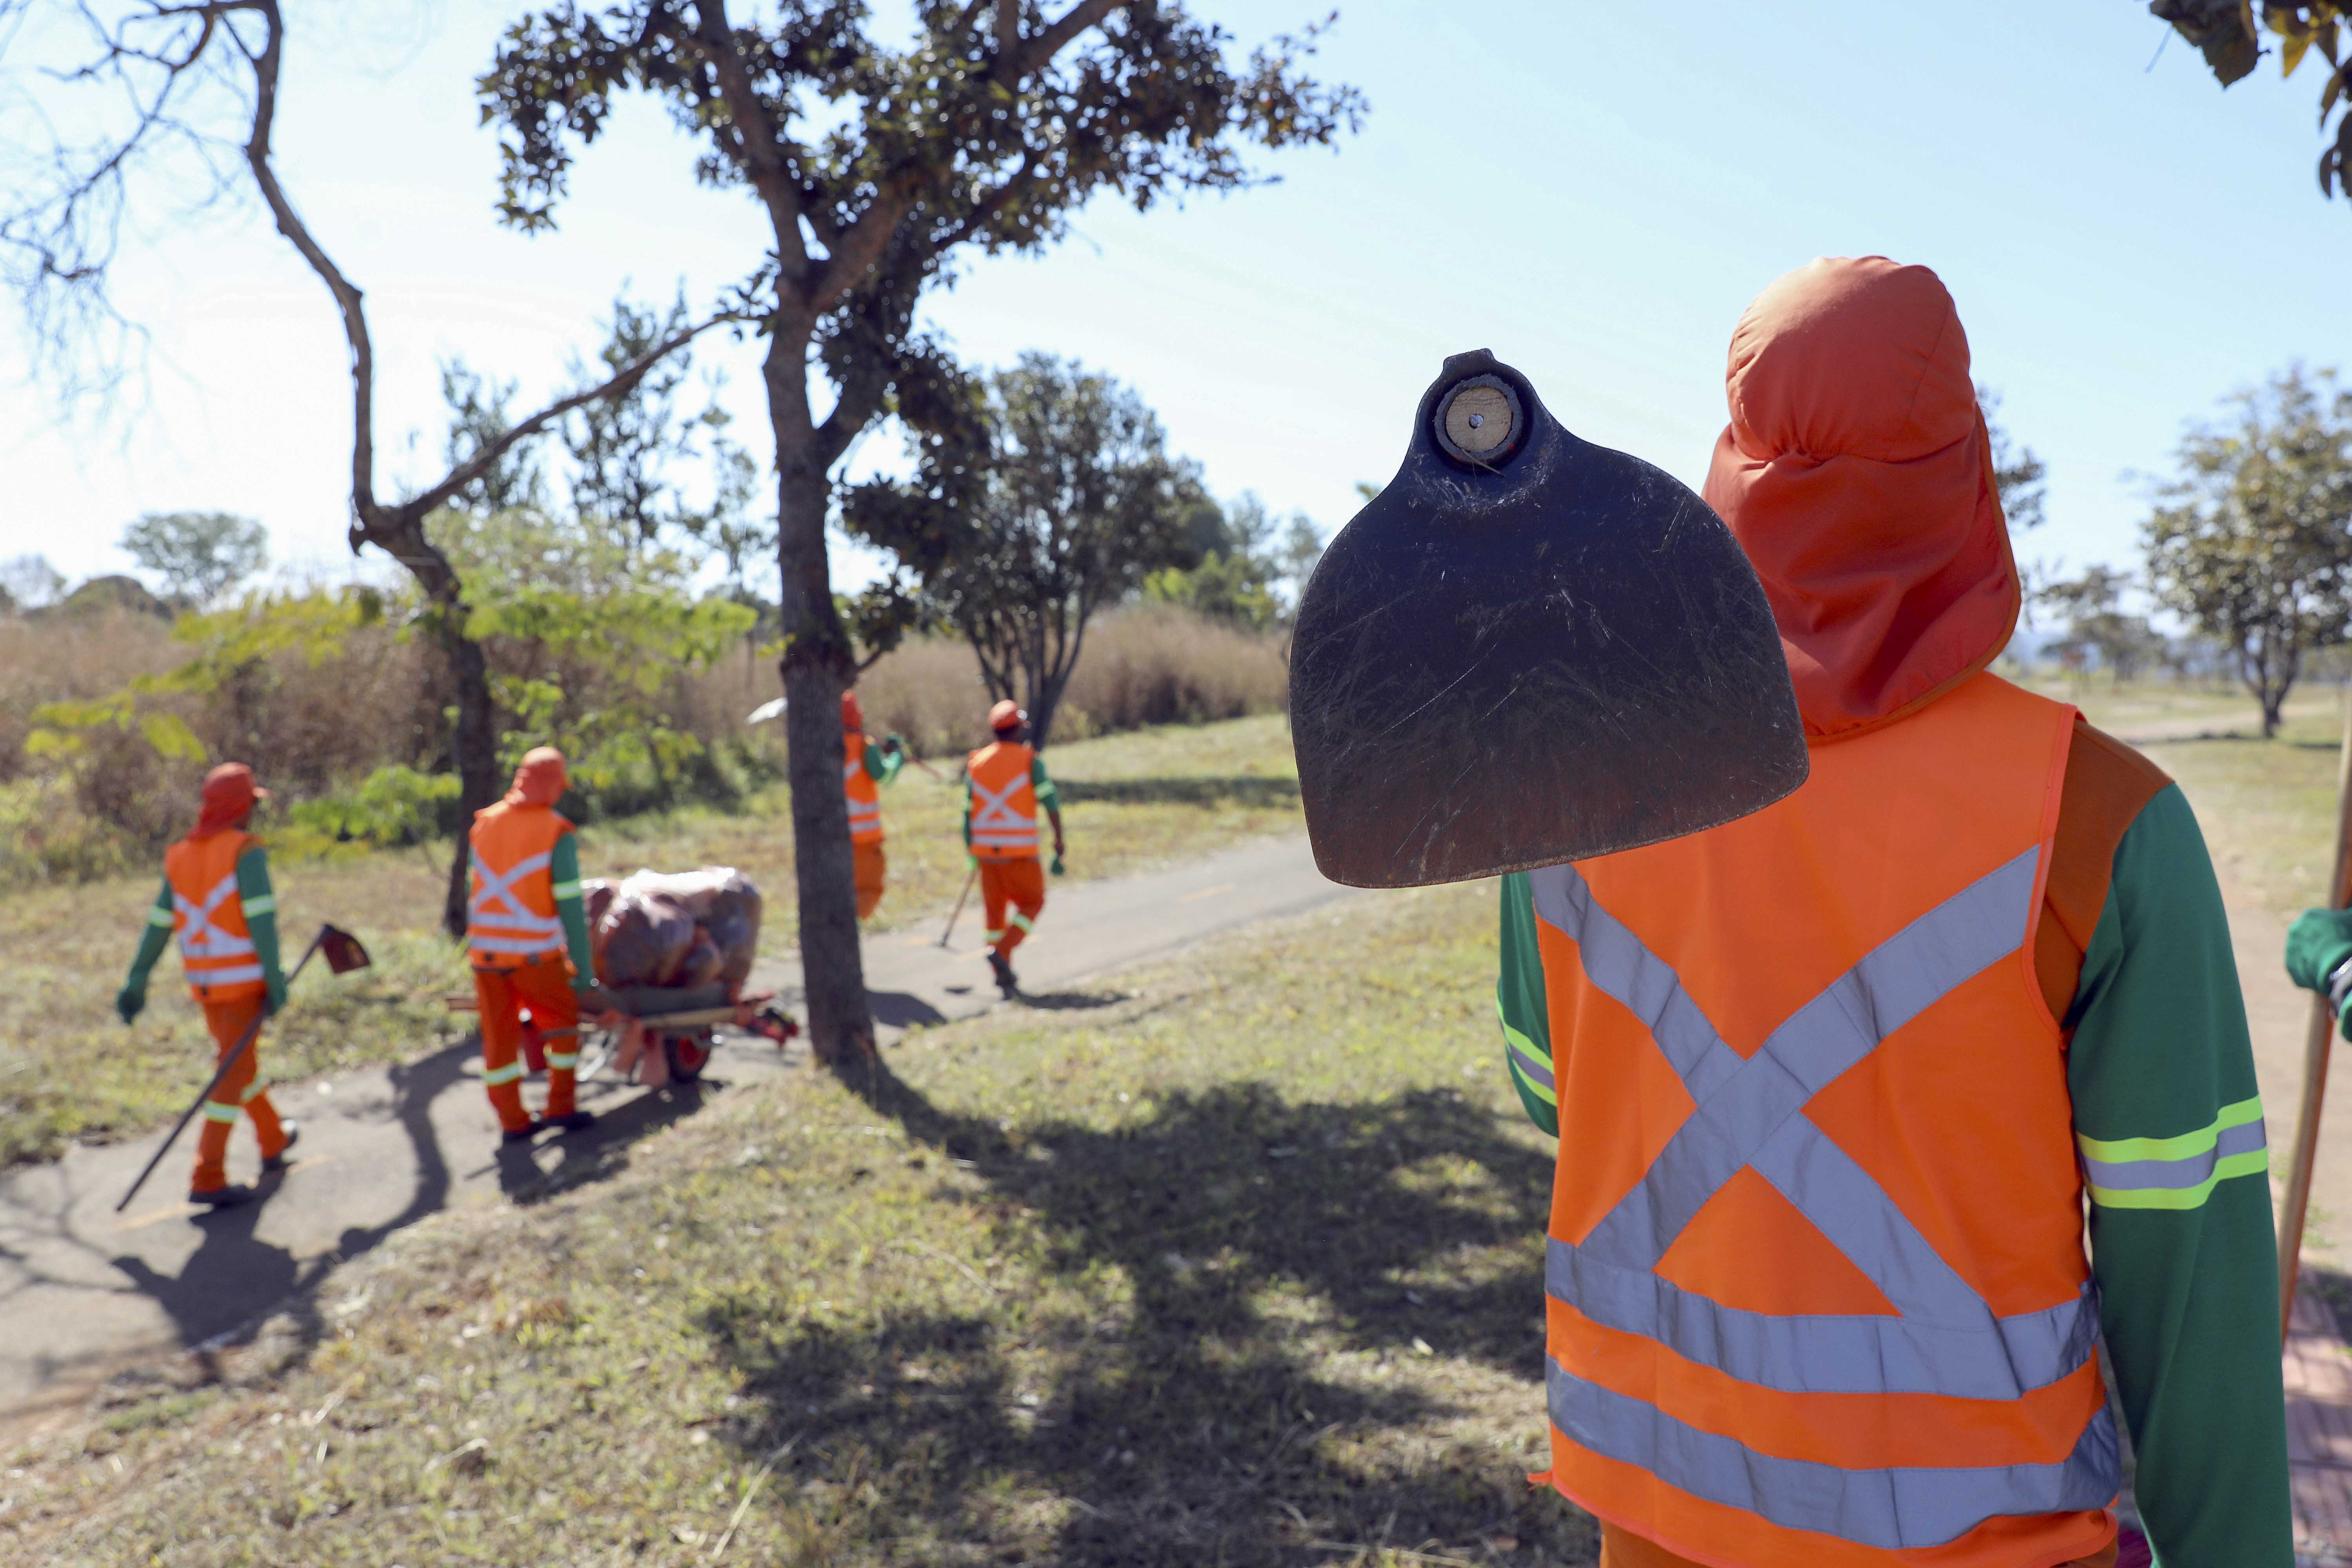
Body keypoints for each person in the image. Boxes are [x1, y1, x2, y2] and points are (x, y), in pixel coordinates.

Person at [1493, 258, 2289, 1567]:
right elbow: (2183, 1257)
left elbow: (1551, 1089)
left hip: (1657, 1524)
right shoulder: (2095, 816)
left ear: (1729, 471)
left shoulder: (1575, 784)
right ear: (1960, 474)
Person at [114, 762, 298, 1208]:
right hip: (242, 988)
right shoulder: (245, 851)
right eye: (252, 804)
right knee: (230, 1075)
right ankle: (207, 1174)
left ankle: (273, 1140)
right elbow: (262, 923)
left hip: (206, 988)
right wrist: (276, 981)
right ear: (241, 807)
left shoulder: (179, 855)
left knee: (237, 1065)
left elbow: (159, 925)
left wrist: (137, 977)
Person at [467, 746, 597, 1142]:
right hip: (535, 958)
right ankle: (560, 1106)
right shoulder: (554, 831)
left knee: (499, 1042)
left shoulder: (484, 824)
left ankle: (513, 1122)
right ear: (552, 786)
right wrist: (584, 970)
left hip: (485, 957)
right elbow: (571, 909)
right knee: (561, 1030)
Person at [964, 699, 1064, 996]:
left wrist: (971, 850)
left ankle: (1002, 973)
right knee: (1033, 903)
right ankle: (1003, 951)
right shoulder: (1029, 761)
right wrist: (1059, 839)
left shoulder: (977, 763)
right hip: (1020, 855)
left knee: (994, 918)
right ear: (1016, 729)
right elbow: (1050, 802)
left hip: (987, 857)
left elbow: (966, 811)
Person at [841, 690, 907, 920]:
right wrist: (897, 756)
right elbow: (885, 776)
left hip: (834, 841)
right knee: (868, 894)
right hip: (863, 843)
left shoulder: (819, 747)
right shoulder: (863, 745)